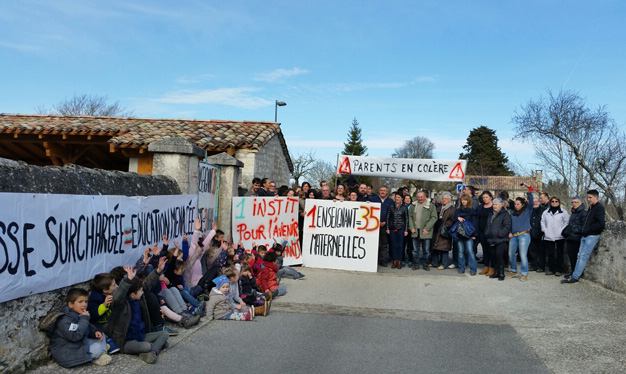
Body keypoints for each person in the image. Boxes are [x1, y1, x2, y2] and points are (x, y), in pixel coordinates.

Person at [103, 259, 170, 364]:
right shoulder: (121, 304)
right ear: (132, 295)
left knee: (164, 335)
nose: (143, 292)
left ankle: (151, 352)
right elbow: (117, 297)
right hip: (126, 341)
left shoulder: (139, 297)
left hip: (140, 335)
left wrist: (157, 271)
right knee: (148, 345)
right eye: (140, 291)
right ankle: (153, 349)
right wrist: (127, 280)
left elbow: (147, 284)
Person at [44, 288, 111, 367]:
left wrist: (94, 331)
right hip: (67, 354)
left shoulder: (77, 313)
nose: (84, 305)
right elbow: (75, 337)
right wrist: (84, 319)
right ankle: (100, 353)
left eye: (86, 301)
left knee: (101, 334)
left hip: (77, 345)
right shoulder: (64, 320)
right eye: (80, 302)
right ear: (70, 305)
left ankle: (101, 353)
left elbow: (87, 326)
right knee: (97, 347)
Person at [563, 190, 606, 284]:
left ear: (596, 197)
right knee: (579, 256)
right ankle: (574, 275)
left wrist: (588, 230)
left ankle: (575, 277)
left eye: (590, 197)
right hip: (585, 235)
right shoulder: (591, 208)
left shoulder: (599, 208)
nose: (588, 199)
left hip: (592, 236)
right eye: (588, 197)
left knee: (582, 256)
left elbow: (601, 224)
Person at [87, 273, 121, 353]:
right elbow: (94, 315)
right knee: (103, 331)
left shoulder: (109, 294)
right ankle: (108, 342)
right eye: (114, 285)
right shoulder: (95, 298)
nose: (117, 286)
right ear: (105, 290)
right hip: (98, 324)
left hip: (108, 321)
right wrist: (104, 305)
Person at [506, 188, 535, 281]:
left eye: (518, 204)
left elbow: (531, 203)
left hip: (524, 235)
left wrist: (529, 193)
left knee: (523, 255)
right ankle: (513, 270)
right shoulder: (512, 213)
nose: (516, 205)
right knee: (511, 254)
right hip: (514, 235)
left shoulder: (527, 211)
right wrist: (510, 232)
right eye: (515, 204)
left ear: (522, 205)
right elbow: (510, 224)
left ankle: (524, 273)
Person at [409, 190, 438, 271]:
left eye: (421, 197)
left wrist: (427, 228)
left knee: (426, 250)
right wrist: (411, 227)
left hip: (426, 231)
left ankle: (425, 264)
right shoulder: (413, 205)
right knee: (415, 250)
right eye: (418, 197)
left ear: (426, 197)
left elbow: (434, 217)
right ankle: (416, 264)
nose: (420, 198)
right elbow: (410, 217)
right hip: (415, 230)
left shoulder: (431, 206)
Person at [541, 196, 570, 276]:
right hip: (548, 235)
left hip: (560, 235)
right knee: (550, 253)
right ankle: (551, 269)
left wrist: (562, 230)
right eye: (552, 201)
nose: (554, 203)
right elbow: (542, 222)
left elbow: (566, 222)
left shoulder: (563, 212)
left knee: (559, 253)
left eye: (556, 201)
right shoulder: (546, 212)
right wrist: (545, 230)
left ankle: (559, 270)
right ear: (550, 202)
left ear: (559, 202)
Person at [485, 198, 512, 281]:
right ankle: (496, 272)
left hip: (501, 239)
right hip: (491, 238)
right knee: (493, 256)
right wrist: (487, 233)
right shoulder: (490, 214)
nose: (494, 206)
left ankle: (501, 273)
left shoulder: (505, 214)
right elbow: (487, 225)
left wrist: (499, 234)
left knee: (499, 255)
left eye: (496, 204)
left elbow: (507, 226)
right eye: (493, 204)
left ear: (501, 205)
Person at [452, 193, 478, 275]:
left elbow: (475, 223)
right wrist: (457, 218)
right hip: (459, 234)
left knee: (470, 251)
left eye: (465, 200)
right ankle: (461, 267)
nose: (464, 201)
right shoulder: (458, 211)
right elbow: (453, 221)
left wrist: (474, 234)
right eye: (462, 200)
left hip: (469, 234)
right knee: (460, 252)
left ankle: (473, 269)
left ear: (468, 201)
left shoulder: (472, 211)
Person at [371, 186, 395, 267]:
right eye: (381, 190)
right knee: (374, 243)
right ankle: (374, 259)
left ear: (387, 192)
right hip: (374, 225)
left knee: (384, 244)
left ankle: (383, 260)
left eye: (384, 191)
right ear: (379, 191)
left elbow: (392, 214)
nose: (382, 192)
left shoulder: (391, 201)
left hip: (385, 225)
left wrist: (385, 222)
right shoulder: (373, 199)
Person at [432, 192, 455, 270]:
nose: (444, 200)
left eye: (445, 198)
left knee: (444, 248)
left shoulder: (452, 209)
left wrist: (445, 225)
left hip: (445, 230)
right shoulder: (440, 207)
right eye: (443, 198)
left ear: (449, 200)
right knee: (435, 246)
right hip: (437, 229)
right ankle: (434, 262)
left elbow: (452, 220)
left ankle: (444, 264)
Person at [565, 196, 587, 277]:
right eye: (572, 202)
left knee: (576, 256)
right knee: (571, 256)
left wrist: (574, 230)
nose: (574, 204)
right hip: (571, 237)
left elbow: (583, 226)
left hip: (577, 238)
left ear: (580, 203)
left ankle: (577, 273)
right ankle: (573, 272)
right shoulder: (574, 212)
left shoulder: (583, 213)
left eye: (575, 202)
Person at [386, 193, 409, 269]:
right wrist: (387, 228)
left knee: (400, 245)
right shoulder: (391, 206)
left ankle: (399, 261)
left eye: (399, 197)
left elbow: (406, 219)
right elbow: (388, 217)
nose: (397, 199)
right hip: (393, 228)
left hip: (401, 229)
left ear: (402, 198)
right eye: (396, 197)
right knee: (393, 245)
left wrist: (406, 230)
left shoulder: (404, 207)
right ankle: (394, 260)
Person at [477, 191, 495, 275]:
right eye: (483, 197)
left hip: (491, 232)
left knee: (491, 250)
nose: (485, 199)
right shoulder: (480, 207)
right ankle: (486, 266)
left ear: (491, 197)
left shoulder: (494, 207)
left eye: (487, 197)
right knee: (484, 250)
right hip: (481, 231)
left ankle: (492, 267)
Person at [402, 194, 414, 266]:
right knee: (402, 245)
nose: (407, 200)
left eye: (409, 198)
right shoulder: (401, 207)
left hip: (410, 229)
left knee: (410, 246)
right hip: (403, 228)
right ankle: (402, 259)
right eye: (406, 198)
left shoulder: (413, 207)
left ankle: (410, 259)